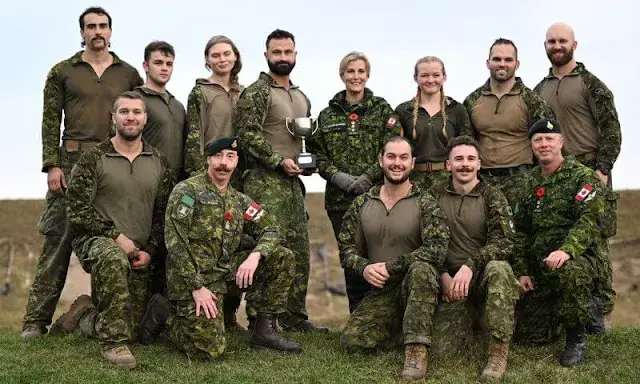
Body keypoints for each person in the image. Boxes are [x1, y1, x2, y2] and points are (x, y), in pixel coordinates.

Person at [21, 6, 143, 341]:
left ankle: (105, 314)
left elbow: (139, 116)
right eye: (91, 27)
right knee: (58, 239)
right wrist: (52, 164)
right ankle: (35, 320)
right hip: (71, 162)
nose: (97, 32)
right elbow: (50, 121)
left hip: (112, 163)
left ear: (111, 31)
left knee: (113, 235)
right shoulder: (63, 71)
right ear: (82, 32)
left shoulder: (129, 74)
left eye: (103, 26)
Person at [138, 136, 302, 360]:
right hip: (192, 279)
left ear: (236, 163)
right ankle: (166, 314)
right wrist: (196, 287)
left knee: (282, 256)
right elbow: (175, 242)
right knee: (208, 351)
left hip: (224, 273)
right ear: (208, 159)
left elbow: (271, 228)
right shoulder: (187, 192)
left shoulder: (240, 201)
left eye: (230, 157)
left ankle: (264, 331)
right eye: (217, 156)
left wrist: (255, 256)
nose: (223, 162)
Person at [48, 92, 172, 369]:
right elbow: (77, 208)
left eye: (136, 112)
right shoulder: (94, 158)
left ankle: (84, 316)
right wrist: (116, 237)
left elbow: (162, 214)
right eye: (124, 112)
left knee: (135, 330)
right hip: (97, 241)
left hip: (139, 250)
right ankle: (114, 346)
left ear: (145, 118)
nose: (131, 117)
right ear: (113, 117)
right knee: (113, 258)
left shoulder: (159, 162)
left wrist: (149, 251)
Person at [236, 29, 327, 332]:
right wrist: (278, 161)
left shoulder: (301, 96)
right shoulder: (257, 92)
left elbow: (305, 140)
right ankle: (260, 319)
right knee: (268, 248)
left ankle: (294, 316)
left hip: (293, 185)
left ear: (295, 55)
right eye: (277, 52)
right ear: (266, 55)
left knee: (299, 249)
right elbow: (246, 135)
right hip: (264, 182)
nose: (283, 58)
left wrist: (308, 163)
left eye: (288, 52)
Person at [534, 22, 621, 332]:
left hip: (590, 169)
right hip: (558, 173)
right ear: (545, 46)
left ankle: (601, 312)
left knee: (595, 241)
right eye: (551, 41)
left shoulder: (590, 83)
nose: (557, 45)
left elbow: (611, 129)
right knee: (562, 239)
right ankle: (567, 313)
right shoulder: (540, 89)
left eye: (562, 41)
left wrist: (602, 169)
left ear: (574, 44)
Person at [338, 136, 449, 381]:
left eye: (403, 157)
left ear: (412, 163)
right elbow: (346, 250)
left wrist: (392, 266)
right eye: (391, 157)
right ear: (381, 161)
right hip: (382, 290)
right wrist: (364, 268)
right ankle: (406, 329)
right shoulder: (362, 203)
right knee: (352, 342)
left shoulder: (425, 203)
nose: (396, 163)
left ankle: (416, 351)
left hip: (418, 285)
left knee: (422, 269)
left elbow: (437, 248)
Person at [308, 51, 401, 312]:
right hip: (339, 200)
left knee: (380, 256)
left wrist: (368, 177)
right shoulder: (326, 115)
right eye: (351, 72)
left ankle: (382, 317)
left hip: (378, 197)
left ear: (367, 75)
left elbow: (392, 148)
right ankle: (358, 317)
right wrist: (339, 178)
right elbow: (317, 153)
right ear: (342, 76)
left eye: (361, 71)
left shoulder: (382, 110)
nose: (356, 77)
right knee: (351, 259)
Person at [512, 118, 609, 367]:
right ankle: (570, 311)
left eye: (549, 139)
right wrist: (523, 270)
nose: (544, 144)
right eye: (538, 140)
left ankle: (576, 337)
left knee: (568, 273)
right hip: (541, 262)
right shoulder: (529, 182)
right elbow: (521, 230)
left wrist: (567, 251)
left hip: (579, 258)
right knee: (530, 337)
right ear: (531, 145)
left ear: (561, 142)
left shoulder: (582, 177)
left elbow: (589, 221)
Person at [428, 136, 520, 382]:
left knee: (500, 269)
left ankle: (498, 354)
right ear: (448, 165)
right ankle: (475, 320)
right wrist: (443, 274)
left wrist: (471, 265)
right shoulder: (434, 195)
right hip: (449, 285)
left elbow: (504, 242)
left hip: (481, 278)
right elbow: (424, 240)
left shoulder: (493, 196)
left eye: (470, 159)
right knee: (444, 352)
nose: (465, 165)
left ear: (480, 164)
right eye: (458, 159)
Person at [463, 38, 554, 208]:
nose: (502, 64)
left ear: (517, 64)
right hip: (482, 182)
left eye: (508, 60)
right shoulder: (472, 101)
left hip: (522, 181)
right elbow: (465, 142)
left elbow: (547, 142)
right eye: (497, 59)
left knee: (521, 233)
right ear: (488, 62)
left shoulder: (532, 100)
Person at [133, 40, 187, 298]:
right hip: (145, 185)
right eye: (158, 63)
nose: (164, 68)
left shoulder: (177, 105)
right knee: (143, 247)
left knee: (167, 248)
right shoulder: (136, 100)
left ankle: (160, 313)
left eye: (169, 64)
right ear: (145, 65)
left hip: (176, 187)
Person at [395, 56, 472, 191]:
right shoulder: (403, 110)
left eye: (436, 75)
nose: (430, 80)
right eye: (424, 75)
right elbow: (396, 148)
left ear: (444, 77)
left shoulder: (456, 109)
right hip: (413, 180)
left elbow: (467, 146)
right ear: (416, 78)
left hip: (448, 180)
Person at [183, 35, 244, 185]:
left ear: (235, 56)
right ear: (207, 61)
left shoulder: (244, 93)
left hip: (239, 171)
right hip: (212, 169)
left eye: (226, 54)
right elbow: (194, 138)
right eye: (216, 56)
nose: (222, 59)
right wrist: (199, 175)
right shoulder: (200, 92)